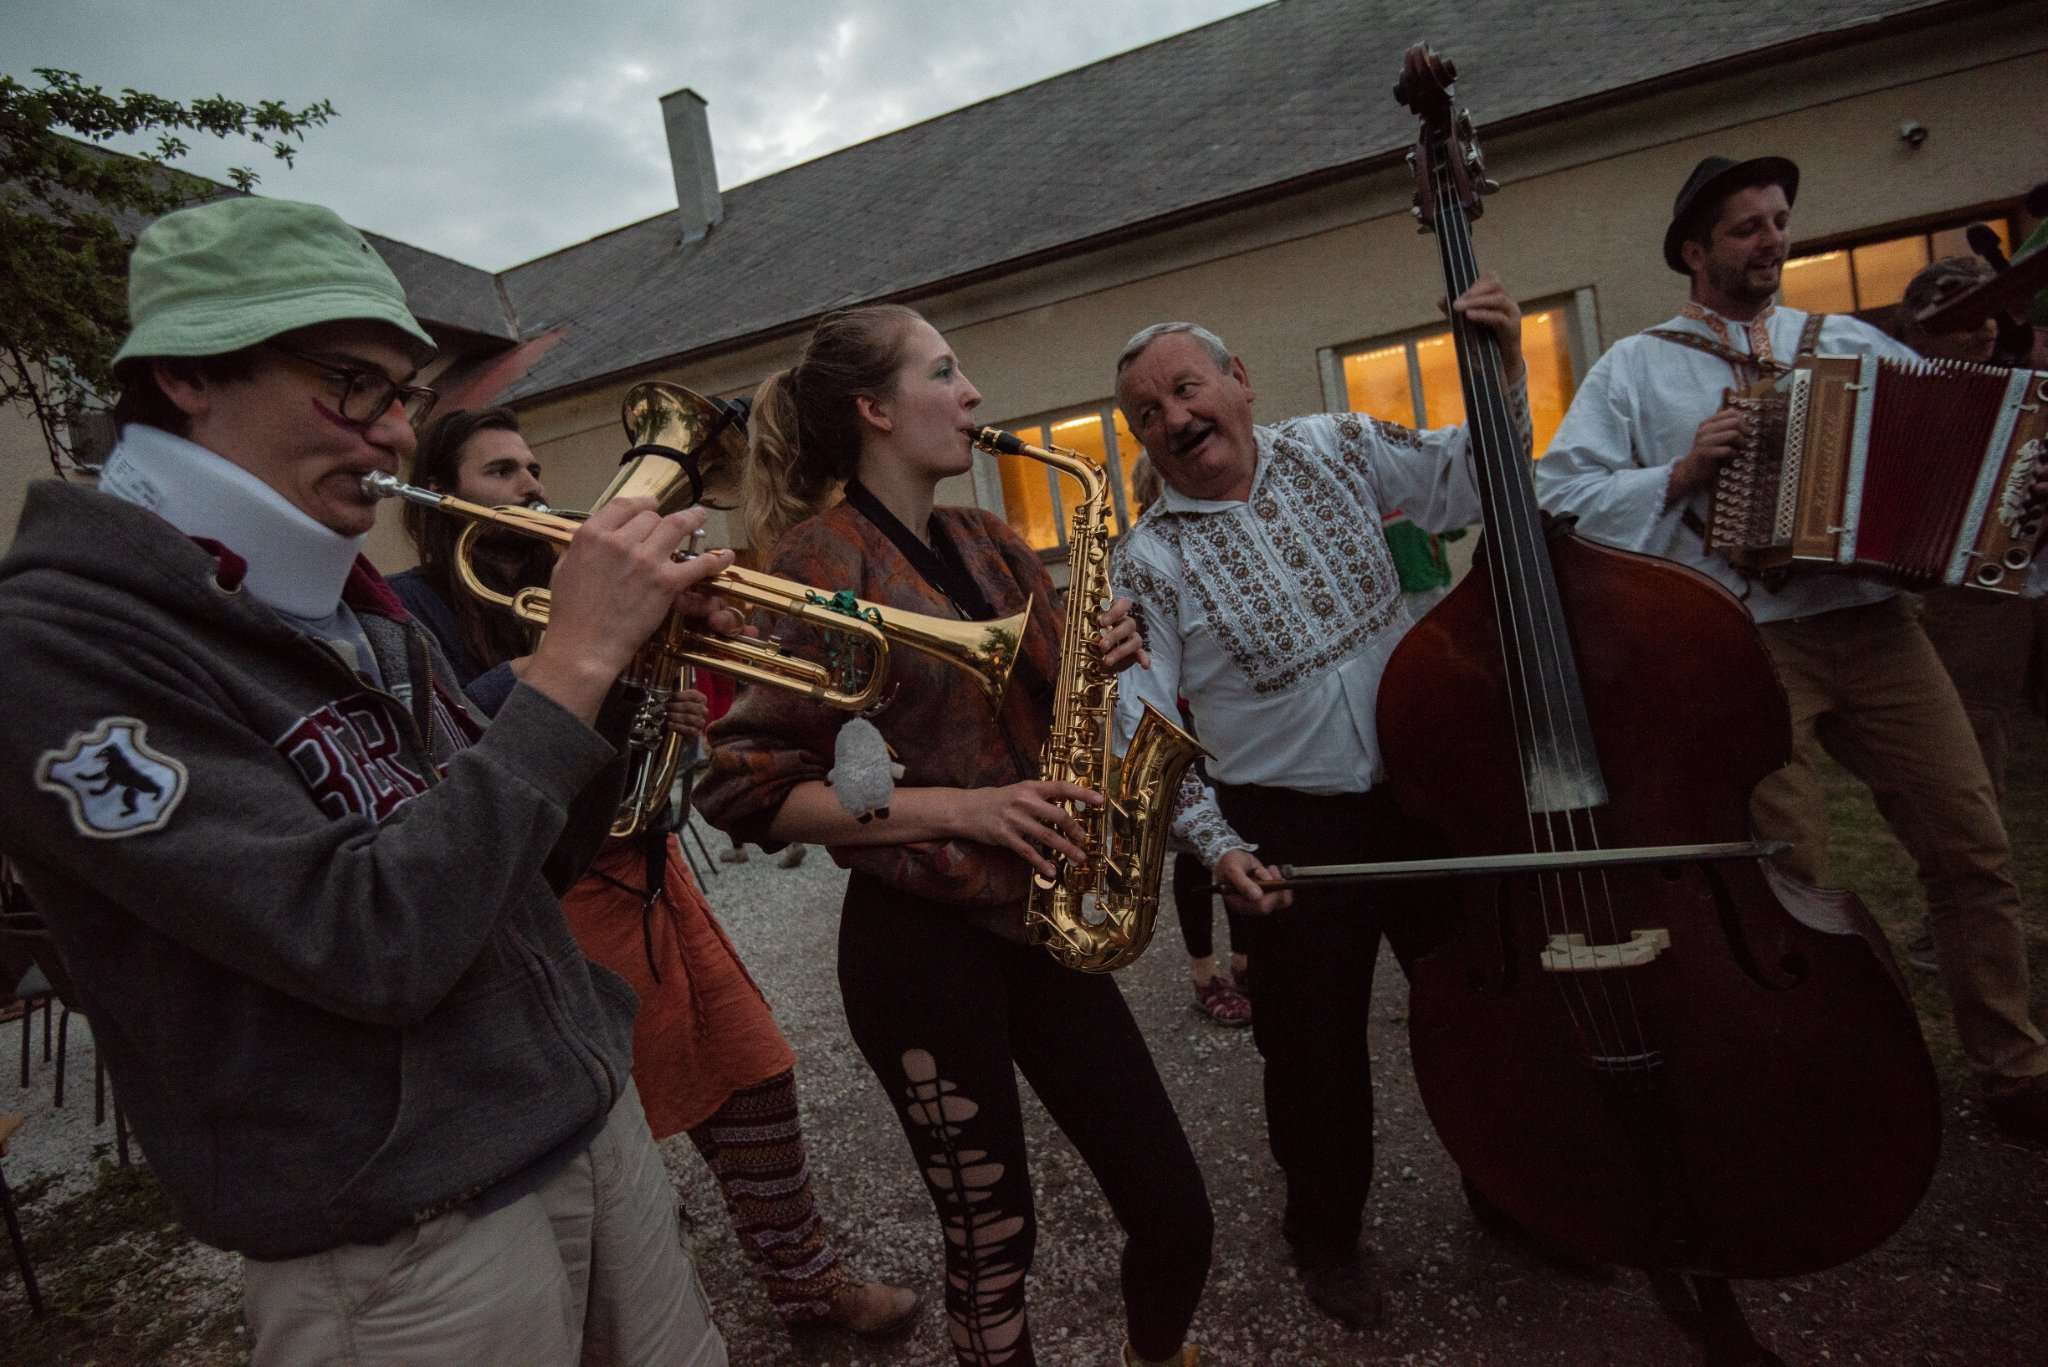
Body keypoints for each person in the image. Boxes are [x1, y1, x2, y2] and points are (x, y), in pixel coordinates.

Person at [0, 197, 731, 1362]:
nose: (393, 435)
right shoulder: (55, 646)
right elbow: (368, 937)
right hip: (401, 1235)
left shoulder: (347, 602)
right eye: (351, 385)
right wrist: (571, 662)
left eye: (403, 396)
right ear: (188, 373)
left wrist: (627, 667)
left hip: (576, 1122)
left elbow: (521, 870)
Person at [695, 304, 1212, 1367]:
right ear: (874, 410)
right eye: (942, 371)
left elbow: (1056, 700)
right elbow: (744, 786)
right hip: (916, 946)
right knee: (991, 1242)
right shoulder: (810, 563)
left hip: (1041, 919)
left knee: (1175, 1210)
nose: (972, 391)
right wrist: (968, 809)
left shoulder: (989, 540)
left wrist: (1101, 650)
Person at [1533, 154, 2048, 1142]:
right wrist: (1679, 471)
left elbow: (1967, 452)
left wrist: (2008, 490)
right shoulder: (1636, 367)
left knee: (1970, 843)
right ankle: (1822, 1077)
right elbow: (1560, 497)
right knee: (1791, 872)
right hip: (1746, 642)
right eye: (1746, 227)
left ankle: (2013, 1067)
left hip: (1877, 627)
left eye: (1776, 221)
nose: (1770, 240)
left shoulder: (1847, 343)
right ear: (1694, 251)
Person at [388, 405, 920, 1338]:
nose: (531, 487)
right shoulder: (413, 609)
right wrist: (576, 653)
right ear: (443, 495)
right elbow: (434, 741)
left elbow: (622, 737)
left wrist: (657, 714)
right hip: (540, 895)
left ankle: (806, 1279)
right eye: (501, 472)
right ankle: (646, 1301)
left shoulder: (566, 583)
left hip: (641, 867)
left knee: (752, 1066)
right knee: (603, 1119)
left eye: (533, 468)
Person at [1108, 277, 1531, 1331]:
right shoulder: (1146, 558)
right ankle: (1325, 1234)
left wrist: (1504, 368)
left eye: (1186, 388)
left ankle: (1514, 1192)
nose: (1174, 418)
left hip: (1421, 790)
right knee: (1312, 1052)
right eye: (1147, 413)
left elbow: (1466, 481)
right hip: (1284, 830)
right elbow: (1139, 722)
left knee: (1478, 1010)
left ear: (1240, 380)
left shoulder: (1337, 444)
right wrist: (1215, 844)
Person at [1893, 256, 2047, 972]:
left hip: (2027, 584)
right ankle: (1958, 914)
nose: (1983, 328)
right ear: (1921, 328)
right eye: (1960, 316)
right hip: (1964, 596)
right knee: (1965, 761)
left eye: (1990, 312)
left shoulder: (2031, 376)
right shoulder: (1904, 393)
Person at [1129, 454, 1254, 1028]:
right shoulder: (1143, 553)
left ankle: (1246, 960)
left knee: (1243, 837)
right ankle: (1205, 974)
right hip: (1180, 724)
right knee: (1196, 855)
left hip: (1226, 723)